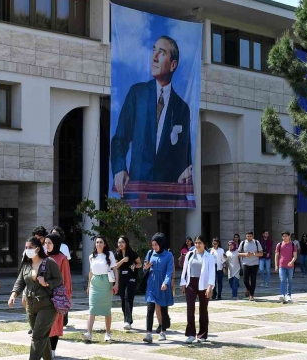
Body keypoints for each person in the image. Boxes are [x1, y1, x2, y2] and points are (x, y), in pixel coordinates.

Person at [111, 35, 192, 200]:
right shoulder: (137, 94)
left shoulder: (182, 107)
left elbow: (185, 151)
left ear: (173, 64)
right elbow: (120, 139)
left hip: (167, 195)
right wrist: (120, 168)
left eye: (161, 53)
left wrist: (185, 170)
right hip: (136, 191)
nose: (154, 57)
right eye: (153, 50)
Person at [9, 237, 63, 360]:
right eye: (26, 247)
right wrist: (14, 294)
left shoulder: (49, 262)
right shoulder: (26, 264)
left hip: (47, 304)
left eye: (30, 247)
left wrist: (47, 283)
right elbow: (20, 282)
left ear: (38, 248)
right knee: (42, 336)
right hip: (30, 304)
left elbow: (59, 280)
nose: (27, 250)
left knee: (37, 336)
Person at [82, 235, 119, 343]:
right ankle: (88, 333)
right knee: (92, 308)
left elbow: (115, 270)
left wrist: (116, 284)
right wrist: (89, 285)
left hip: (106, 282)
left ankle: (108, 333)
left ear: (104, 244)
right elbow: (91, 272)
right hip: (95, 283)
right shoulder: (91, 256)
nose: (98, 244)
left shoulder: (109, 255)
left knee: (107, 309)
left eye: (101, 242)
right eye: (97, 242)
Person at [180, 235, 215, 344]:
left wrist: (210, 286)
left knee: (203, 309)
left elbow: (212, 273)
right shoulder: (190, 254)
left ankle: (203, 334)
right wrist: (183, 283)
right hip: (191, 283)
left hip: (203, 285)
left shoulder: (209, 257)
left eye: (199, 243)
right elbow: (185, 269)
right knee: (190, 308)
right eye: (196, 243)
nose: (197, 245)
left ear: (204, 244)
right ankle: (190, 334)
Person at [142, 233, 174, 343]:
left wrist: (166, 282)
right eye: (152, 245)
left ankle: (163, 331)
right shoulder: (150, 253)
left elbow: (169, 271)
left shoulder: (168, 255)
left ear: (161, 243)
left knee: (163, 310)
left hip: (162, 285)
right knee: (150, 309)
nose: (154, 247)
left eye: (156, 244)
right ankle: (148, 334)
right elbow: (144, 269)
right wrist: (146, 267)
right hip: (151, 284)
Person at [44, 233, 72, 359]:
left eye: (49, 243)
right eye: (45, 243)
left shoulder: (62, 258)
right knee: (43, 323)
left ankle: (53, 350)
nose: (47, 245)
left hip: (57, 295)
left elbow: (66, 278)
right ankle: (45, 349)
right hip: (43, 295)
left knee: (55, 323)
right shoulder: (42, 257)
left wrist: (67, 295)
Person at [115, 235, 142, 330]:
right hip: (122, 278)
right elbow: (115, 266)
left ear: (126, 243)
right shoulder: (117, 254)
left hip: (131, 278)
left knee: (128, 297)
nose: (120, 244)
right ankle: (128, 320)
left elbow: (140, 264)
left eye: (122, 242)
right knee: (123, 299)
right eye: (119, 242)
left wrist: (134, 265)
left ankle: (127, 321)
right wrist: (123, 260)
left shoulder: (132, 253)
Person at [238, 231, 262, 301]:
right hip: (245, 263)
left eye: (250, 236)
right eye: (248, 236)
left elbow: (261, 253)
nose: (249, 238)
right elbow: (238, 253)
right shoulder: (243, 243)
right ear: (246, 236)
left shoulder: (256, 243)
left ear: (252, 236)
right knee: (245, 280)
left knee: (253, 280)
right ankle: (248, 289)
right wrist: (245, 254)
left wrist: (254, 254)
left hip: (255, 263)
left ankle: (251, 295)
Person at [275, 231, 298, 303]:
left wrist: (291, 262)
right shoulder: (279, 244)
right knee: (282, 279)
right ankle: (282, 294)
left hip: (290, 266)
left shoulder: (293, 245)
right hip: (282, 265)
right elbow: (276, 256)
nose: (284, 237)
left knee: (290, 280)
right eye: (283, 236)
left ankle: (289, 295)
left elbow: (295, 256)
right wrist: (276, 265)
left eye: (286, 236)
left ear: (289, 237)